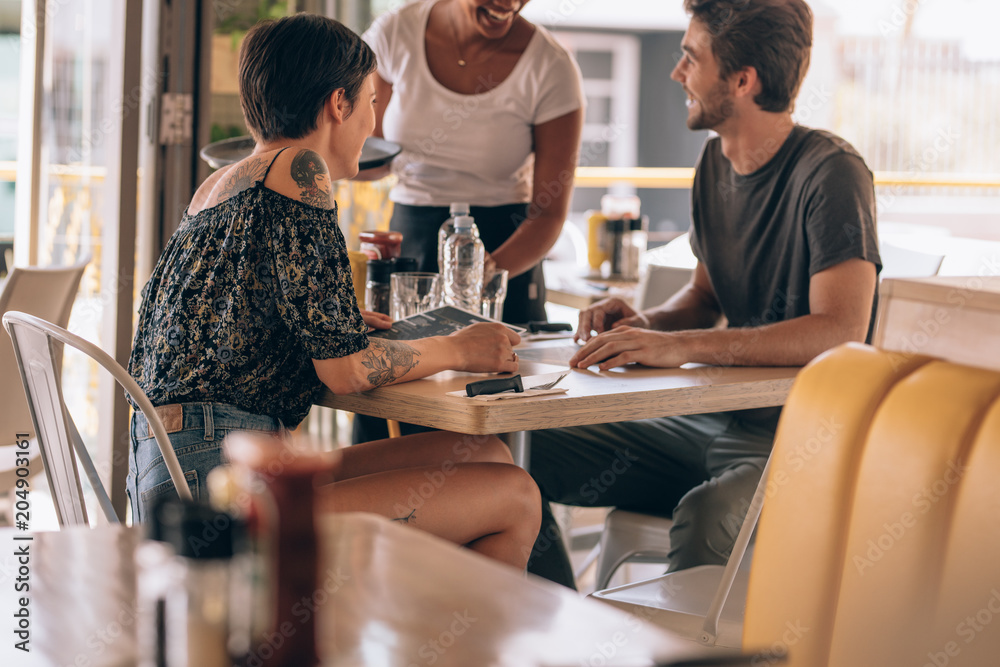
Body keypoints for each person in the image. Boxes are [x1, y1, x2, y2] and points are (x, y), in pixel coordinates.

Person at [127, 13, 540, 569]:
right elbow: (344, 373)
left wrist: (335, 326)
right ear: (338, 103)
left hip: (175, 467)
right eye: (372, 102)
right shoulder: (300, 168)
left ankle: (407, 634)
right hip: (222, 487)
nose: (375, 123)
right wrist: (459, 348)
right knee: (516, 498)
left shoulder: (225, 182)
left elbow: (232, 322)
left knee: (484, 452)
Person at [525, 0, 882, 588]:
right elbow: (702, 298)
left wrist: (684, 345)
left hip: (802, 443)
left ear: (743, 81)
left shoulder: (832, 172)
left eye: (691, 58)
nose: (677, 74)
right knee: (523, 454)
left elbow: (838, 330)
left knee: (709, 516)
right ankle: (563, 623)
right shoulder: (714, 163)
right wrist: (643, 324)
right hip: (712, 425)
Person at [352, 0, 584, 444]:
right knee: (392, 423)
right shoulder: (396, 34)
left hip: (506, 252)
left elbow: (550, 211)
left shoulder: (550, 66)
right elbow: (369, 154)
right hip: (411, 250)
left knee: (493, 435)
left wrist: (476, 280)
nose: (510, 4)